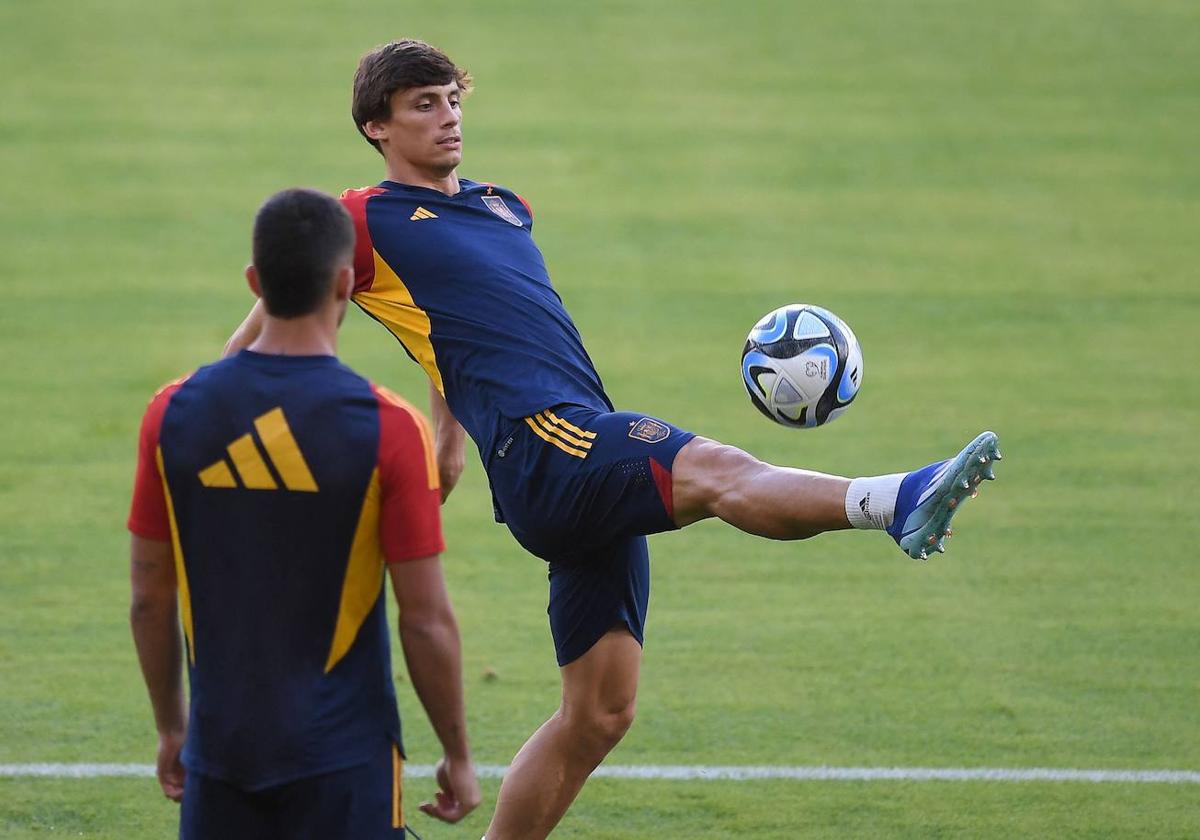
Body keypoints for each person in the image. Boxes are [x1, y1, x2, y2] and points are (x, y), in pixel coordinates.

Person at [224, 41, 1003, 840]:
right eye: (424, 104)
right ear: (375, 127)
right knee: (715, 470)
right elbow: (264, 336)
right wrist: (214, 412)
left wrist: (446, 439)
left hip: (575, 444)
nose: (448, 116)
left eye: (453, 98)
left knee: (599, 713)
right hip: (544, 442)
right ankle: (895, 502)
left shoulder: (503, 205)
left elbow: (448, 323)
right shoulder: (359, 218)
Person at [130, 187, 481, 839]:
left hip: (219, 757)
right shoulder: (390, 428)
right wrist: (457, 753)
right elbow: (426, 619)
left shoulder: (170, 413)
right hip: (346, 764)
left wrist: (171, 727)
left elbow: (149, 596)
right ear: (346, 283)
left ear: (254, 282)